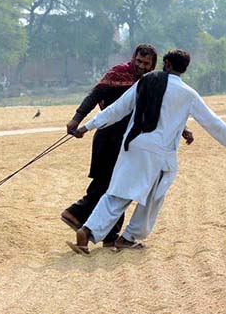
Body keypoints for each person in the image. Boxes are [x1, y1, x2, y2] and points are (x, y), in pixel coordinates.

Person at [67, 49, 226, 255]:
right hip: (160, 154)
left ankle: (87, 231)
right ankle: (129, 237)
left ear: (167, 63)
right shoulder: (188, 94)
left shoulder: (145, 81)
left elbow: (117, 109)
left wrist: (86, 127)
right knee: (154, 196)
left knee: (117, 193)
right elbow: (211, 122)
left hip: (133, 145)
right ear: (184, 69)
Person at [60, 44, 193, 247]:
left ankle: (108, 233)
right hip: (108, 136)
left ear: (154, 65)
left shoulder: (153, 83)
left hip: (130, 140)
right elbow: (96, 95)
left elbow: (163, 112)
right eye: (138, 61)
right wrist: (78, 119)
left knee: (119, 185)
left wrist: (182, 130)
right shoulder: (119, 73)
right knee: (110, 184)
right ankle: (78, 214)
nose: (141, 66)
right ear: (133, 58)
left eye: (146, 64)